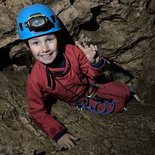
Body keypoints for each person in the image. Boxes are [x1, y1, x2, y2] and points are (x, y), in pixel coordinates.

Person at [16, 3, 131, 149]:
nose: (44, 49)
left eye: (49, 39)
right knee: (117, 106)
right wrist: (57, 133)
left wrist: (94, 62)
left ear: (58, 38)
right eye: (35, 43)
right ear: (27, 46)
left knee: (125, 91)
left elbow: (92, 75)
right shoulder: (36, 78)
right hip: (79, 100)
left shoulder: (72, 52)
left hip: (92, 86)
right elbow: (36, 110)